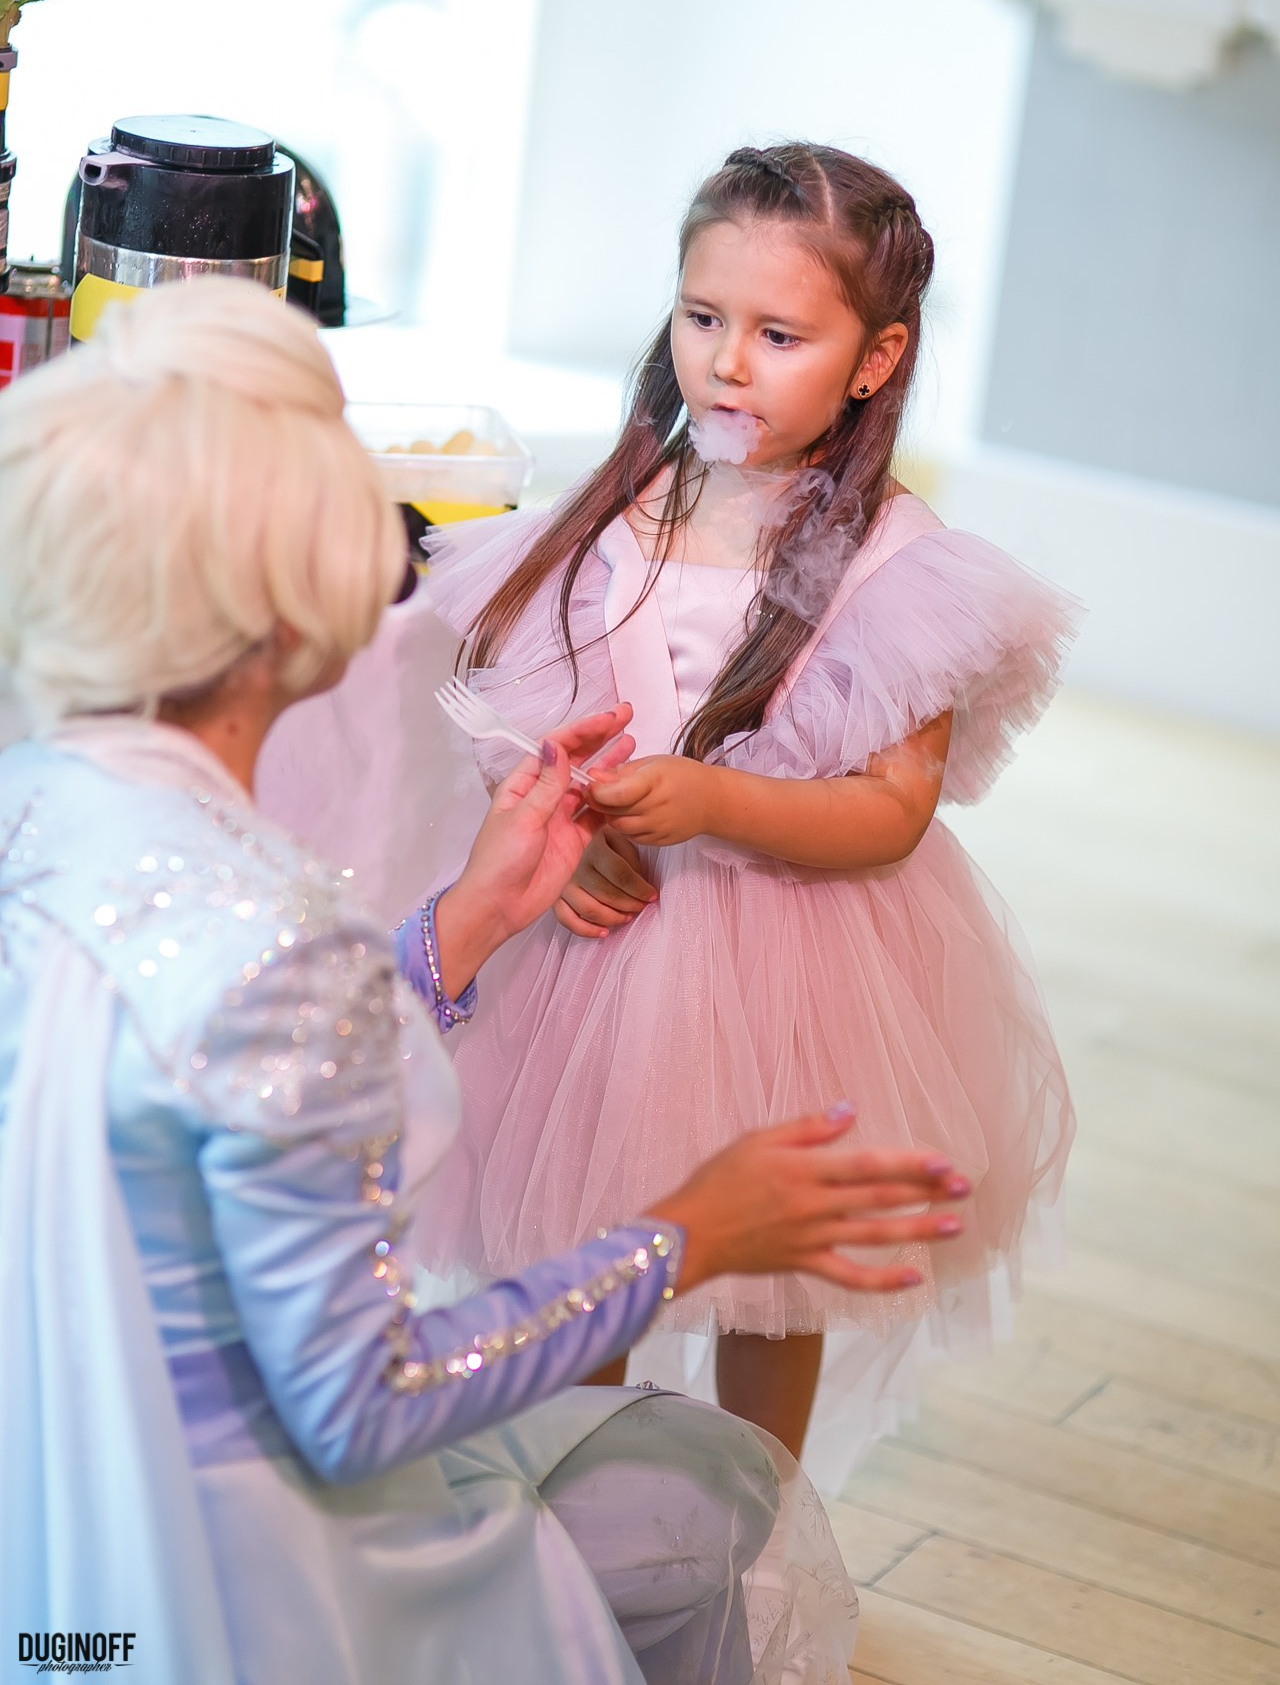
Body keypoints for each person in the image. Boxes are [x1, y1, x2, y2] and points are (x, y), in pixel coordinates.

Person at [0, 278, 973, 1685]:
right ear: (306, 608)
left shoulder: (36, 807)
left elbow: (191, 1067)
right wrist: (683, 1239)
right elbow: (364, 1401)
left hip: (44, 1515)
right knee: (701, 1503)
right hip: (220, 1591)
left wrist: (459, 924)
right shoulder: (274, 940)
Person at [270, 142, 1078, 1482]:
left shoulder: (902, 566)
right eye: (703, 319)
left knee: (777, 1280)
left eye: (779, 334)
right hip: (592, 959)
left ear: (875, 359)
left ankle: (752, 1518)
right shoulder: (621, 510)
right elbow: (510, 703)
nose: (729, 362)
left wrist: (715, 796)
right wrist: (556, 837)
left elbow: (888, 814)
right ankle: (565, 1503)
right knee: (584, 1233)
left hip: (795, 958)